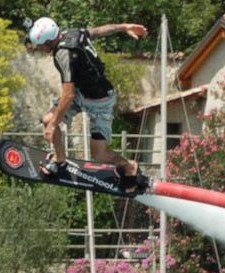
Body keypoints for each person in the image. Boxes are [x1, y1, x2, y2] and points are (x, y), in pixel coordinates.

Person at [26, 17, 148, 191]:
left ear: (49, 41)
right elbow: (102, 30)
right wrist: (125, 26)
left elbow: (67, 95)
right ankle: (59, 159)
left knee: (99, 153)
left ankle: (129, 167)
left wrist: (54, 125)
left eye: (40, 45)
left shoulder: (63, 54)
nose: (39, 48)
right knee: (47, 119)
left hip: (100, 101)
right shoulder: (73, 33)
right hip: (81, 94)